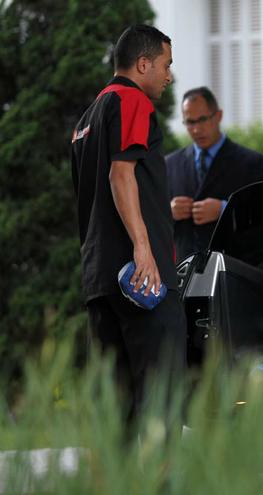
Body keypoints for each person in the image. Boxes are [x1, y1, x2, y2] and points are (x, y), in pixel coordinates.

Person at [70, 25, 186, 432]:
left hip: (100, 280)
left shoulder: (87, 118)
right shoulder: (132, 101)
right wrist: (143, 248)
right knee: (162, 403)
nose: (169, 75)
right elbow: (122, 176)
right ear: (143, 64)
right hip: (142, 281)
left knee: (116, 414)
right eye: (166, 65)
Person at [165, 87, 263, 260]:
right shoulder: (170, 165)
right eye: (190, 122)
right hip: (184, 277)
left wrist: (224, 209)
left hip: (233, 274)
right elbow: (148, 221)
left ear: (219, 116)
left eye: (202, 120)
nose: (197, 129)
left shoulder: (251, 163)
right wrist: (167, 212)